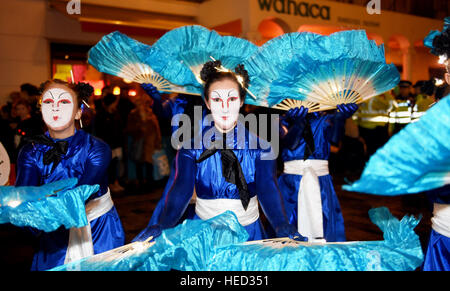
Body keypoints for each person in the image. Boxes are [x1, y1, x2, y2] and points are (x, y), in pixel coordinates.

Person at [133, 60, 300, 243]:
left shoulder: (261, 147)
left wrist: (280, 223)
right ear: (207, 102)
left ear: (242, 101)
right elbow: (182, 189)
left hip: (248, 234)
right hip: (203, 236)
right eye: (217, 99)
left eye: (232, 99)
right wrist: (163, 224)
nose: (225, 106)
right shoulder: (191, 148)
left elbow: (268, 188)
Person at [15, 79, 125, 271]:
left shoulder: (97, 148)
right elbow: (23, 201)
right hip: (54, 231)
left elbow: (80, 195)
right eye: (48, 102)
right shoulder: (30, 152)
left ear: (78, 112)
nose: (55, 108)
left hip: (98, 227)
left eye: (64, 102)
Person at [277, 103, 358, 242]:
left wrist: (340, 118)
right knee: (288, 231)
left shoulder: (326, 118)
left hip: (321, 181)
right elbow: (289, 143)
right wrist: (298, 124)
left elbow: (335, 139)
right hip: (292, 184)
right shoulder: (281, 119)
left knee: (325, 225)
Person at [125, 95, 162, 191]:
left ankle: (150, 182)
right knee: (139, 163)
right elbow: (129, 129)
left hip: (149, 143)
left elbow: (156, 128)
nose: (141, 105)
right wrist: (139, 127)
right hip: (139, 142)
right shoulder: (133, 115)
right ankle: (141, 183)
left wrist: (157, 141)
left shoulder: (150, 114)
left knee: (149, 164)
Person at [94, 93, 125, 193]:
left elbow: (120, 129)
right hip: (107, 144)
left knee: (115, 164)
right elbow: (100, 131)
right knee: (108, 165)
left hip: (116, 144)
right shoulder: (101, 115)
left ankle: (115, 182)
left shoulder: (116, 114)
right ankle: (109, 184)